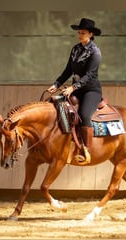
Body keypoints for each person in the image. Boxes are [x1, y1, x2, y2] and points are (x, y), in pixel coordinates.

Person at [47, 18, 102, 164]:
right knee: (53, 104)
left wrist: (72, 87)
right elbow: (68, 70)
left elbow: (90, 75)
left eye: (83, 33)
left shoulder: (95, 52)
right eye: (79, 32)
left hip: (91, 91)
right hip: (75, 90)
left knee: (84, 115)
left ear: (90, 34)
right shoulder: (75, 49)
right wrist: (57, 84)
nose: (80, 35)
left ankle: (86, 149)